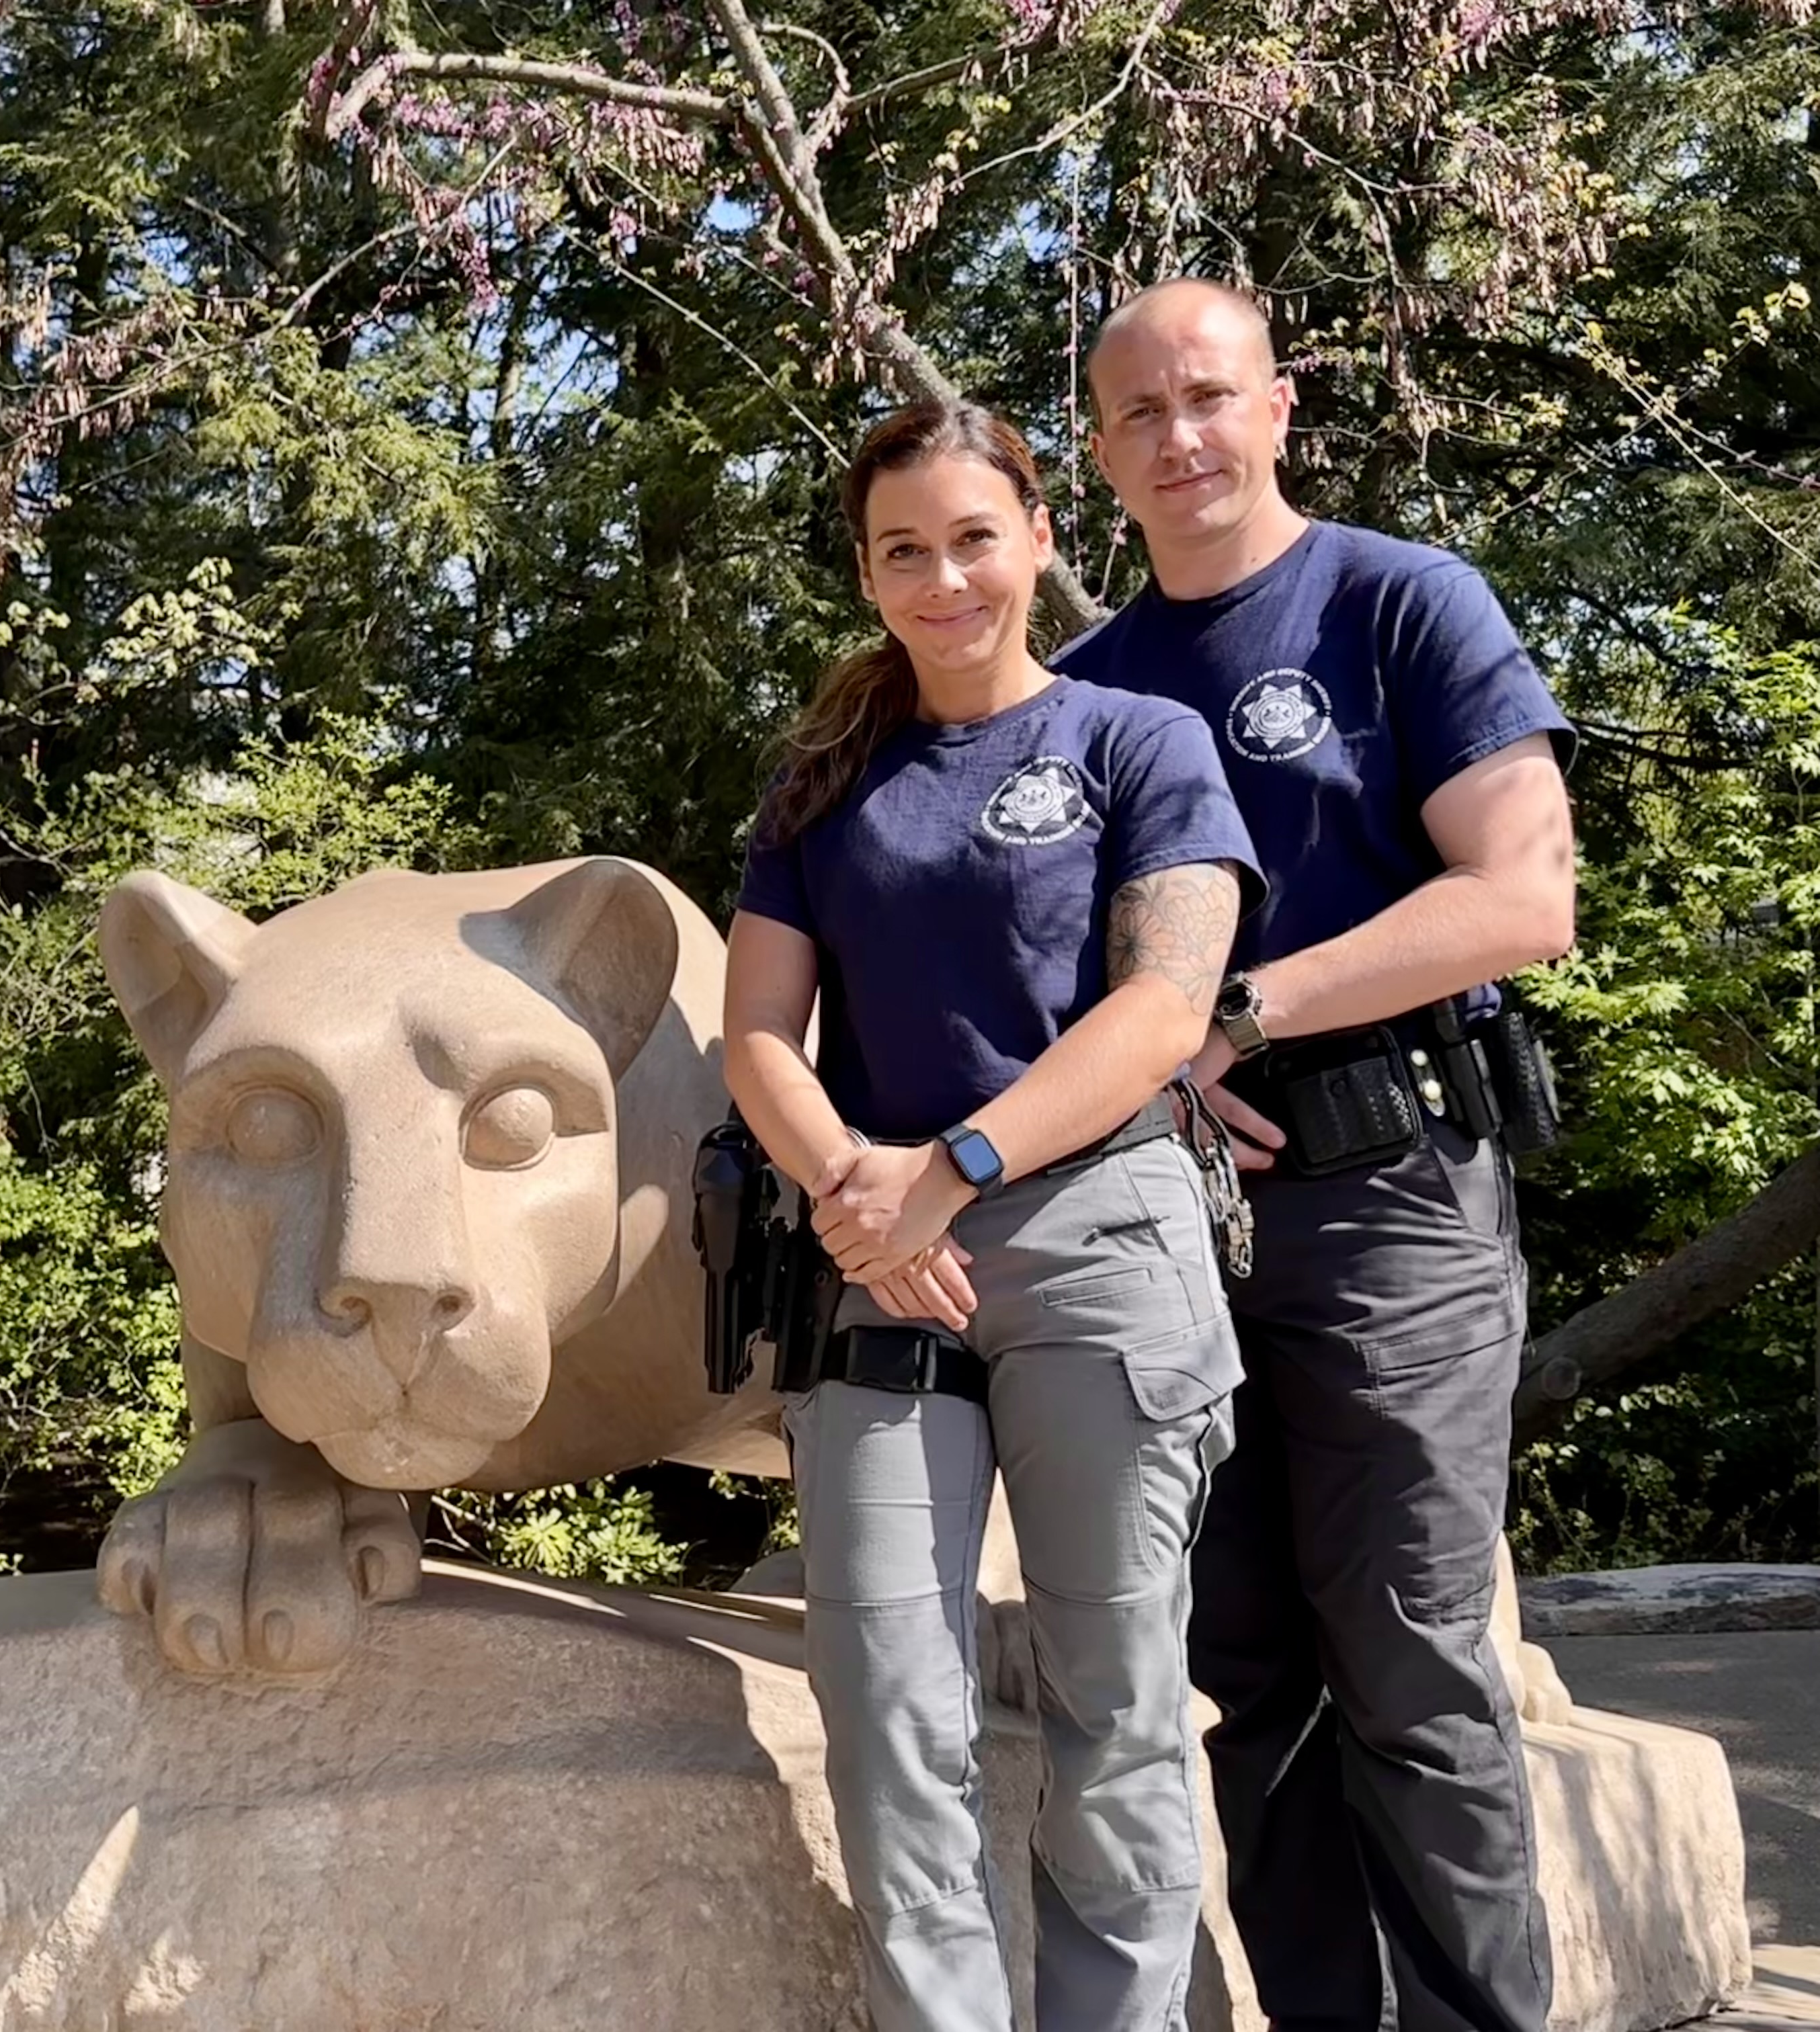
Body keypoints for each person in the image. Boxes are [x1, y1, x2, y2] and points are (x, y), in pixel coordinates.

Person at [1055, 278, 1578, 2032]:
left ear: (1279, 406)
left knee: (1415, 1682)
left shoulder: (1398, 606)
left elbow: (1524, 898)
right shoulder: (1088, 692)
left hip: (1394, 1210)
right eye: (1139, 413)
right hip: (1171, 1244)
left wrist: (1234, 1014)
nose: (1180, 435)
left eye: (1209, 395)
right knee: (1251, 1688)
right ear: (1103, 455)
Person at [722, 396, 1261, 2032]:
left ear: (1037, 536)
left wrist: (952, 1163)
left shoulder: (1135, 742)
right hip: (882, 1260)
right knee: (891, 1700)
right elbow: (757, 1031)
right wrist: (854, 1190)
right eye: (903, 551)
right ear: (868, 572)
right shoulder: (825, 778)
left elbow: (1167, 1010)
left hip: (1096, 1237)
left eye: (973, 537)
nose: (942, 576)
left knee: (1115, 1708)